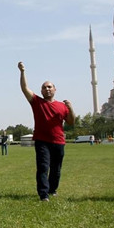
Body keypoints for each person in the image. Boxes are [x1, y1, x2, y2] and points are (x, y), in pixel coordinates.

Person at [18, 62, 74, 201]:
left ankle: (52, 189)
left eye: (49, 87)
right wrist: (22, 71)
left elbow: (71, 122)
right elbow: (25, 88)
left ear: (55, 89)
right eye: (44, 87)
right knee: (43, 167)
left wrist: (71, 107)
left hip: (59, 141)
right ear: (41, 91)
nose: (47, 89)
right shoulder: (37, 102)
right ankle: (43, 195)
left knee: (56, 169)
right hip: (42, 141)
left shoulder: (62, 106)